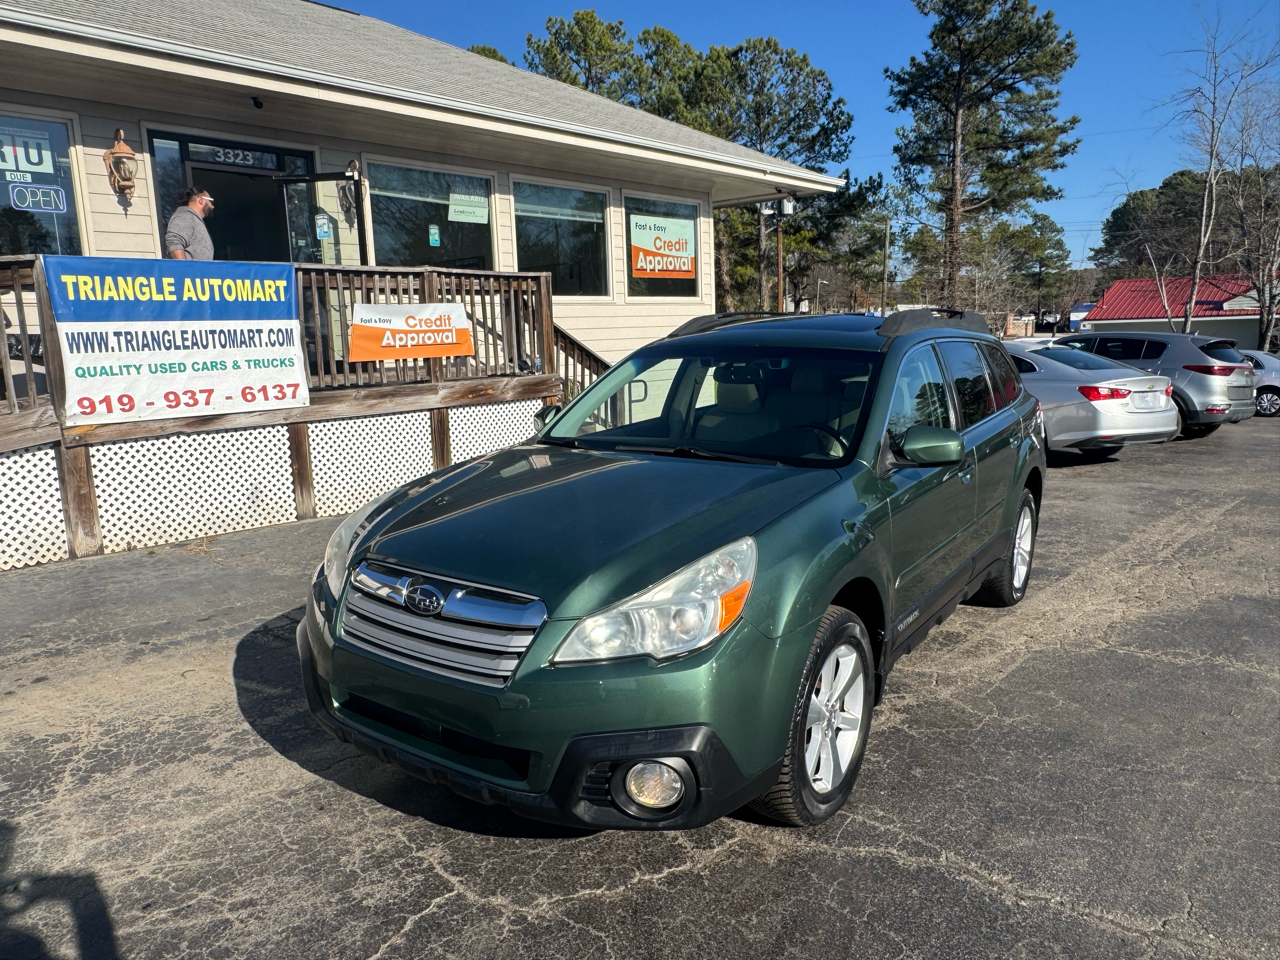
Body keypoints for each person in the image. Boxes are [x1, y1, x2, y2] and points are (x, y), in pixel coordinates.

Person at [165, 187, 215, 260]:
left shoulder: (192, 218)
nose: (212, 206)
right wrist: (184, 267)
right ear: (201, 200)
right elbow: (174, 243)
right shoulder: (184, 216)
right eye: (211, 201)